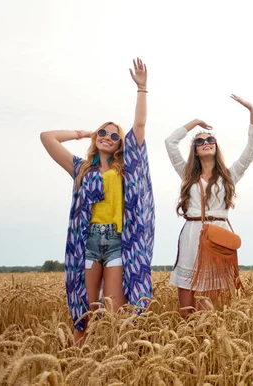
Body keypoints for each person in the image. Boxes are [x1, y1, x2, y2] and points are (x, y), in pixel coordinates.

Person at [40, 58, 154, 344]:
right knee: (84, 315)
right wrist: (85, 133)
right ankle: (81, 365)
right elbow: (47, 137)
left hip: (117, 242)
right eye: (103, 132)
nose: (107, 136)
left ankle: (112, 364)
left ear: (120, 144)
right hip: (87, 243)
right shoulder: (81, 168)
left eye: (114, 135)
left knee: (113, 315)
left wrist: (142, 89)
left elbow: (139, 124)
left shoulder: (126, 168)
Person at [166, 95, 253, 318]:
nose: (205, 143)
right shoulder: (186, 173)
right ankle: (187, 345)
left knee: (206, 308)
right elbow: (170, 142)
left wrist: (252, 112)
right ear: (195, 150)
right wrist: (195, 123)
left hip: (217, 236)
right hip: (192, 234)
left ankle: (203, 342)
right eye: (199, 141)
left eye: (210, 140)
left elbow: (251, 151)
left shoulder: (229, 175)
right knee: (186, 307)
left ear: (216, 147)